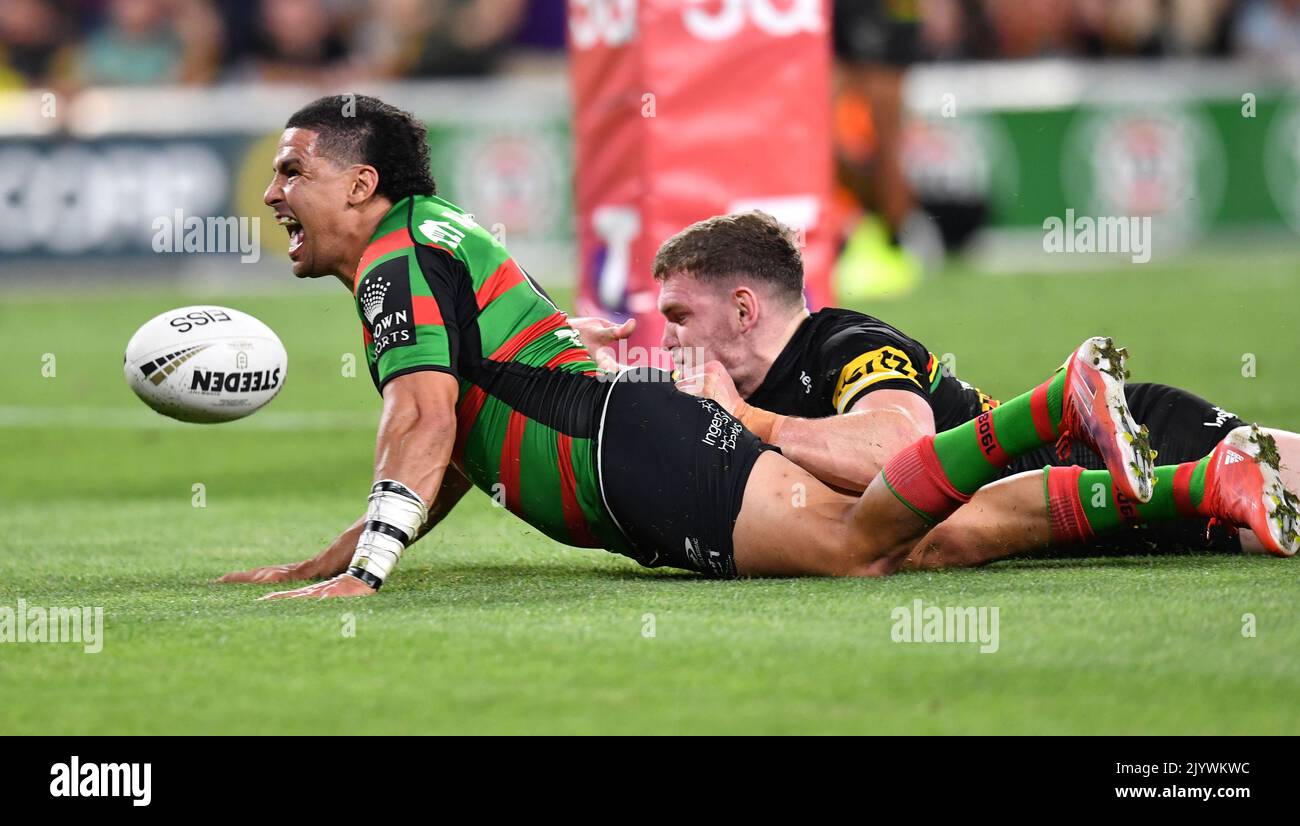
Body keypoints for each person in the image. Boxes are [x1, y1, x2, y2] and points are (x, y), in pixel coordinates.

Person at [218, 95, 1256, 600]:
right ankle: (1182, 484)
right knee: (903, 538)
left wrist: (370, 575)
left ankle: (1054, 410)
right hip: (635, 447)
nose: (273, 197)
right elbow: (461, 438)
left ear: (362, 183)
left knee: (867, 552)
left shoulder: (400, 262)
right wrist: (348, 546)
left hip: (634, 457)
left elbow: (425, 416)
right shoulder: (426, 244)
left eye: (291, 172)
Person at [570, 211, 1300, 565]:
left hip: (1132, 444)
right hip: (1077, 509)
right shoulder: (738, 386)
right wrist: (592, 372)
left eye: (677, 316)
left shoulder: (845, 345)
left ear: (742, 309)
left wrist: (752, 421)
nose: (664, 337)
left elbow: (898, 447)